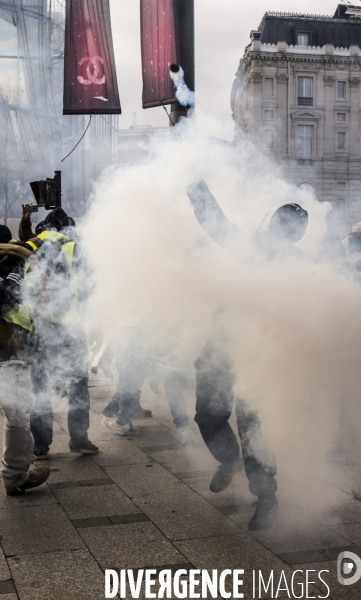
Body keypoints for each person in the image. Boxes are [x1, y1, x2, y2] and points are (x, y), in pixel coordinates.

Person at [186, 180, 309, 531]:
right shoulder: (246, 244)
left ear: (297, 234)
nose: (280, 227)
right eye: (279, 219)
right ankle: (229, 460)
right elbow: (216, 223)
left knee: (255, 428)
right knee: (207, 415)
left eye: (290, 224)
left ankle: (267, 498)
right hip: (222, 347)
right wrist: (196, 186)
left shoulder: (297, 267)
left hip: (262, 354)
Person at [28, 207, 98, 458]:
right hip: (72, 327)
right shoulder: (74, 247)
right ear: (66, 227)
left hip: (42, 328)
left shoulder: (32, 246)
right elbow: (90, 286)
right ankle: (79, 439)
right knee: (78, 385)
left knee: (41, 386)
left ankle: (40, 443)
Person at [91, 317, 196, 446]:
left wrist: (101, 358)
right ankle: (183, 427)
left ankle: (121, 421)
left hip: (137, 330)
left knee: (129, 380)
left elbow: (116, 321)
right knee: (171, 381)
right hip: (165, 329)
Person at [0, 238, 52, 495]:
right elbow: (6, 300)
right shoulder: (16, 269)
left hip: (12, 355)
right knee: (18, 418)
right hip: (9, 358)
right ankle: (15, 477)